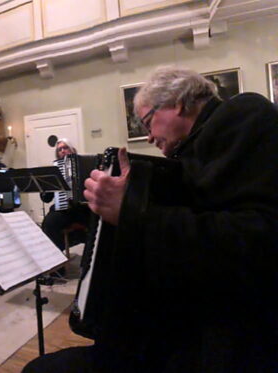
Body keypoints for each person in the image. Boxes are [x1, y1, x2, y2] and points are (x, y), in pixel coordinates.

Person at [24, 66, 278, 372]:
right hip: (189, 327)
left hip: (235, 341)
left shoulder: (245, 115)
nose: (149, 135)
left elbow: (259, 241)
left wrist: (131, 210)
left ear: (178, 104)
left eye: (148, 122)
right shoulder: (189, 155)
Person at [39, 139, 90, 256]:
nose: (62, 151)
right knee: (49, 223)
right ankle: (56, 261)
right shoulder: (55, 170)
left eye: (65, 147)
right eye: (59, 149)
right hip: (64, 210)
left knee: (97, 221)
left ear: (72, 150)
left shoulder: (83, 164)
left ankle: (89, 259)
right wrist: (44, 188)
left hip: (82, 208)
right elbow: (46, 198)